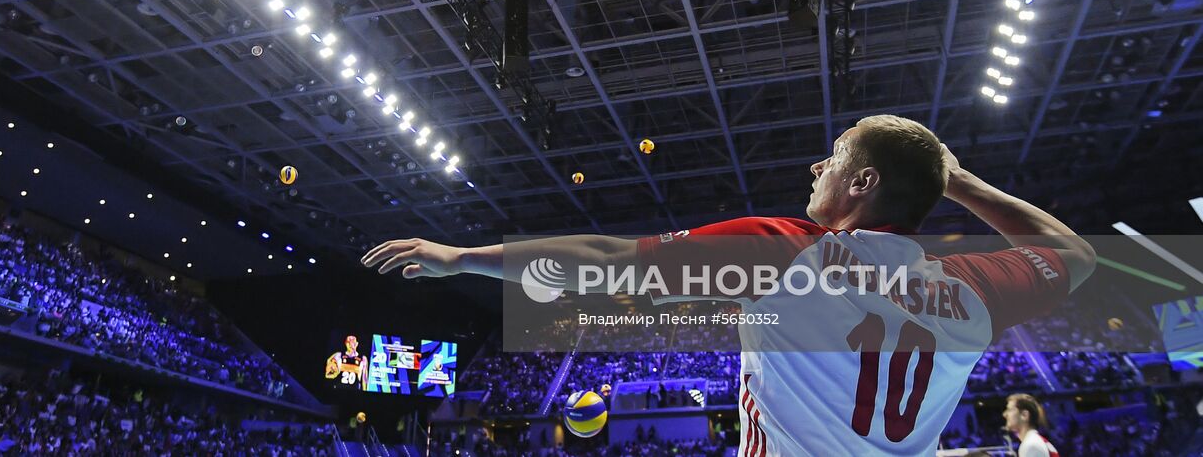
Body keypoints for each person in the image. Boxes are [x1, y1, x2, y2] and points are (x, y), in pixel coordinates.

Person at [362, 115, 1097, 456]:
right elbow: (1073, 254)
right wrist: (960, 181)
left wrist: (464, 257)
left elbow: (607, 258)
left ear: (863, 182)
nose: (819, 168)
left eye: (835, 156)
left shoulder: (787, 252)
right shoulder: (973, 288)